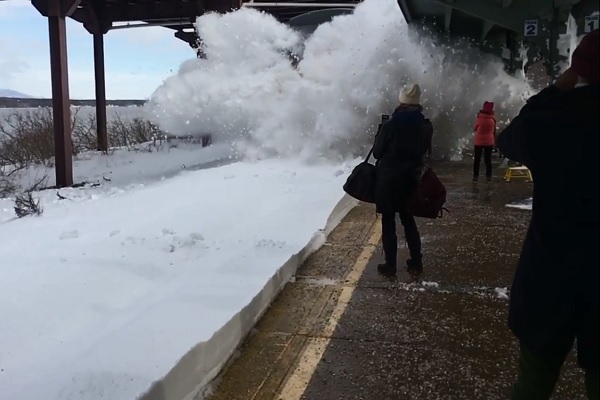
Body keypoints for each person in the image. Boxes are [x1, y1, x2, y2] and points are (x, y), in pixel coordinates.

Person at [496, 29, 599, 400]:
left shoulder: (551, 123)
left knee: (533, 383)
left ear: (578, 71)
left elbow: (507, 140)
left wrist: (555, 91)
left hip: (550, 277)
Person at [372, 83, 433, 276]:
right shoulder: (425, 126)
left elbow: (377, 152)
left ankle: (390, 265)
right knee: (408, 219)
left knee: (388, 222)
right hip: (411, 179)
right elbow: (423, 151)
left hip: (388, 180)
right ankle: (416, 260)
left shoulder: (390, 125)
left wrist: (380, 133)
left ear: (401, 102)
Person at [473, 101, 497, 182]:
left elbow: (475, 128)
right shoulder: (492, 120)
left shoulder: (479, 119)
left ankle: (475, 176)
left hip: (478, 141)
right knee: (488, 160)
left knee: (477, 160)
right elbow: (494, 131)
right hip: (489, 142)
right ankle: (488, 176)